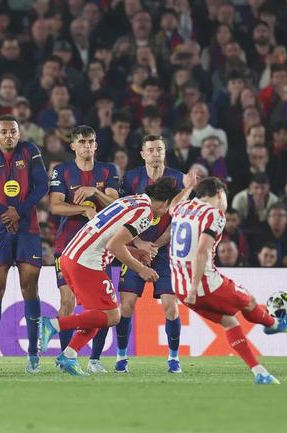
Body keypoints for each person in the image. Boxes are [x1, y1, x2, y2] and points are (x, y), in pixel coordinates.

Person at [38, 176, 194, 376]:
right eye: (168, 207)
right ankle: (53, 325)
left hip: (71, 256)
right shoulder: (145, 213)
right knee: (112, 315)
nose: (166, 212)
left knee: (97, 315)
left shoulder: (132, 200)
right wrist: (141, 269)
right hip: (87, 261)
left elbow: (109, 235)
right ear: (164, 203)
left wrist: (135, 252)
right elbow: (114, 246)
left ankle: (69, 355)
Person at [169, 177, 287, 385]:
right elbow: (202, 251)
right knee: (249, 301)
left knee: (230, 322)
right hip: (204, 284)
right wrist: (195, 287)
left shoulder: (182, 208)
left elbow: (171, 206)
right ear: (219, 193)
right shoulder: (214, 214)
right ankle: (274, 323)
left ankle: (260, 373)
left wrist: (188, 187)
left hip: (179, 287)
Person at [0, 114, 48, 374]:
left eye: (13, 131)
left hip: (28, 228)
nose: (9, 136)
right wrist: (6, 212)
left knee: (30, 287)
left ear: (19, 134)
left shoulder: (30, 151)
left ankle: (33, 354)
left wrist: (19, 211)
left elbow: (42, 186)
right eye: (3, 132)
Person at [113, 134, 186, 374]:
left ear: (165, 153)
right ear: (143, 154)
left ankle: (173, 358)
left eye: (160, 149)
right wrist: (139, 243)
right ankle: (121, 357)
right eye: (151, 150)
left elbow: (179, 219)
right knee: (126, 306)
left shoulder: (178, 179)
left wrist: (154, 245)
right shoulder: (131, 178)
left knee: (170, 307)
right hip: (135, 250)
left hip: (164, 252)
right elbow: (122, 215)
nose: (156, 154)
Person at [49, 125, 119, 373]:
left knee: (101, 308)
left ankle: (94, 359)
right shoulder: (62, 171)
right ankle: (65, 358)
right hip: (67, 245)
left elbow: (116, 205)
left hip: (99, 249)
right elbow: (55, 206)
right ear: (73, 146)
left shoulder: (109, 170)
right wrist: (84, 209)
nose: (87, 146)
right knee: (67, 301)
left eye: (90, 142)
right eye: (82, 142)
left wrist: (95, 192)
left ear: (96, 145)